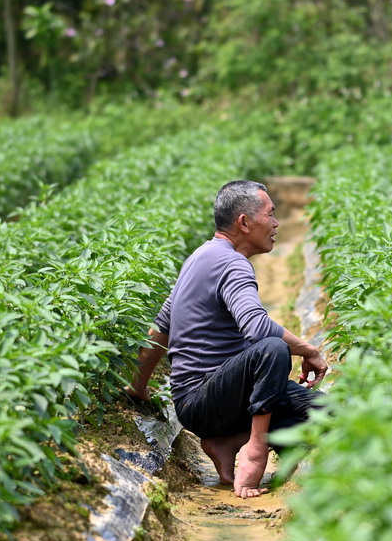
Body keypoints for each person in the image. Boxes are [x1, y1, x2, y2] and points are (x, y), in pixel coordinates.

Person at [125, 180, 329, 498]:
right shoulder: (232, 264)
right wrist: (308, 349)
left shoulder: (200, 257)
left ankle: (229, 440)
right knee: (272, 349)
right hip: (207, 400)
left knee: (327, 414)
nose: (276, 223)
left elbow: (160, 329)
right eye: (271, 214)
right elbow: (258, 330)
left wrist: (138, 386)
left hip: (200, 403)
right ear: (244, 223)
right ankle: (255, 448)